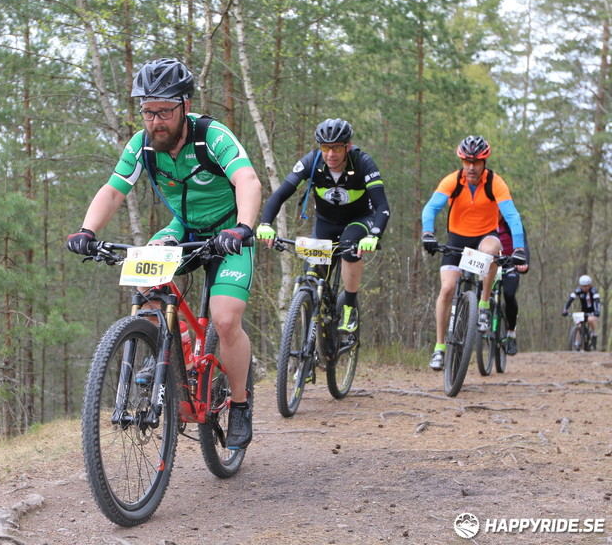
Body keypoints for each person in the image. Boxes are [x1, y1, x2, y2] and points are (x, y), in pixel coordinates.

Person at [66, 58, 262, 449]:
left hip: (227, 231)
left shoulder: (212, 137)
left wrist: (242, 227)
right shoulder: (141, 145)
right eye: (147, 110)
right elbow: (113, 190)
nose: (155, 121)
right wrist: (87, 231)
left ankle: (239, 404)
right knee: (144, 271)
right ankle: (165, 347)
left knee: (224, 320)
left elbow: (247, 179)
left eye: (164, 111)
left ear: (185, 107)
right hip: (183, 229)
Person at [255, 118, 390, 334]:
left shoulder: (363, 162)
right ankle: (310, 343)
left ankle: (349, 306)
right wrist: (265, 223)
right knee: (312, 279)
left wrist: (373, 235)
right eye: (325, 147)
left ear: (348, 146)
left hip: (359, 220)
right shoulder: (312, 161)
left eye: (336, 148)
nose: (330, 154)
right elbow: (280, 195)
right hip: (326, 224)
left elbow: (382, 206)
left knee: (349, 245)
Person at [421, 135, 527, 370]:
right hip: (456, 240)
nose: (471, 167)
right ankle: (440, 348)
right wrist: (428, 233)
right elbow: (431, 207)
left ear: (484, 162)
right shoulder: (452, 181)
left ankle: (484, 305)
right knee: (447, 289)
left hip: (483, 238)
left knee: (491, 250)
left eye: (476, 162)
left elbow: (512, 216)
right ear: (461, 161)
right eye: (466, 162)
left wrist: (519, 248)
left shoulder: (494, 183)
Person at [496, 212, 530, 355]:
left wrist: (524, 262)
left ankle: (511, 334)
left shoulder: (511, 222)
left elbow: (523, 243)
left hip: (511, 263)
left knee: (509, 295)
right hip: (490, 263)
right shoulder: (483, 219)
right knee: (479, 291)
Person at [562, 275, 601, 349]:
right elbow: (570, 300)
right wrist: (565, 309)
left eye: (586, 286)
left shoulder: (594, 291)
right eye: (583, 286)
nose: (584, 288)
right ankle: (577, 342)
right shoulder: (578, 291)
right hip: (584, 311)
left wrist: (597, 311)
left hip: (593, 311)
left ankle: (594, 334)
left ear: (589, 285)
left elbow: (597, 302)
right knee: (579, 324)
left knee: (590, 319)